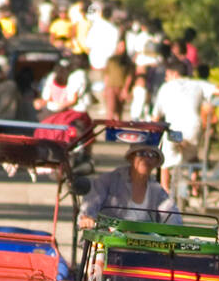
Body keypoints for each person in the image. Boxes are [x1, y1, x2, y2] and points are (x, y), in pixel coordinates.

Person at [77, 143, 180, 226]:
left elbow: (170, 213)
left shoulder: (156, 190)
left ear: (156, 161)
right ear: (131, 157)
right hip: (107, 243)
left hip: (142, 247)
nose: (146, 159)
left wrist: (178, 231)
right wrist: (87, 218)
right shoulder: (109, 180)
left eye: (152, 155)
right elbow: (90, 205)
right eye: (142, 153)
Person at [152, 57, 208, 191]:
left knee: (165, 159)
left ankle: (165, 190)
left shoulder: (166, 87)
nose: (166, 78)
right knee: (193, 157)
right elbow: (215, 93)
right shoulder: (198, 85)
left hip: (174, 131)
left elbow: (155, 117)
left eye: (167, 75)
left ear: (175, 74)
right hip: (193, 129)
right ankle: (194, 187)